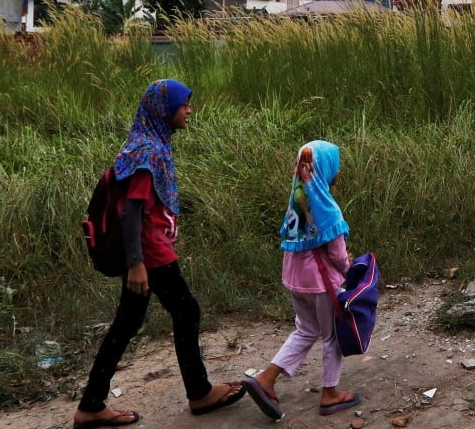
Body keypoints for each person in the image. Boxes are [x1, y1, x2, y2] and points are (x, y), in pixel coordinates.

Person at [72, 79, 245, 429]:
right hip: (150, 252)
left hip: (146, 250)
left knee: (129, 321)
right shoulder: (149, 151)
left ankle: (91, 404)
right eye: (183, 104)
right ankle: (199, 392)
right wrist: (136, 264)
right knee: (185, 309)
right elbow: (131, 211)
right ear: (163, 110)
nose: (189, 110)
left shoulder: (146, 144)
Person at [243, 140, 361, 419]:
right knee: (332, 335)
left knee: (306, 329)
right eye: (336, 166)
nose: (338, 172)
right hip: (322, 283)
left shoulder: (296, 202)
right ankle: (330, 394)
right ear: (324, 169)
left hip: (295, 278)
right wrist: (350, 268)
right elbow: (337, 255)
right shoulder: (328, 208)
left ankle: (266, 378)